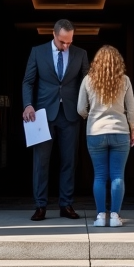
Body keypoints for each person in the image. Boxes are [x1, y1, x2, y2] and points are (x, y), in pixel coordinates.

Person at [22, 18, 89, 221]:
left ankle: (66, 205)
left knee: (69, 161)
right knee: (41, 162)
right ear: (54, 34)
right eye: (62, 42)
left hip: (70, 115)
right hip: (42, 115)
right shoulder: (37, 52)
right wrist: (27, 104)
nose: (66, 45)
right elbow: (28, 81)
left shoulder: (81, 54)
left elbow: (88, 84)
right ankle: (40, 206)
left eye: (69, 42)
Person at [77, 45, 134, 227]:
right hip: (120, 132)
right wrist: (133, 129)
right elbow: (131, 111)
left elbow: (80, 109)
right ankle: (115, 217)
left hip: (95, 132)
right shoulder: (124, 80)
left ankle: (101, 216)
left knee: (100, 176)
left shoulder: (88, 80)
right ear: (118, 63)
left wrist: (90, 115)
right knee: (118, 175)